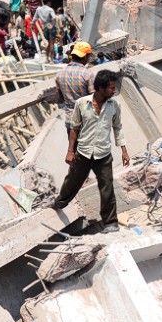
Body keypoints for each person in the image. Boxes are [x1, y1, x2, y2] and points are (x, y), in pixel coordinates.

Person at [54, 70, 129, 232]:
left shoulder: (115, 106)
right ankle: (59, 203)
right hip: (83, 152)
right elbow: (74, 128)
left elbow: (118, 128)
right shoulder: (81, 104)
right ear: (101, 88)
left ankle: (111, 223)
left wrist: (124, 150)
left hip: (103, 154)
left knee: (107, 187)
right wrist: (70, 151)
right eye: (111, 88)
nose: (114, 91)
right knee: (72, 181)